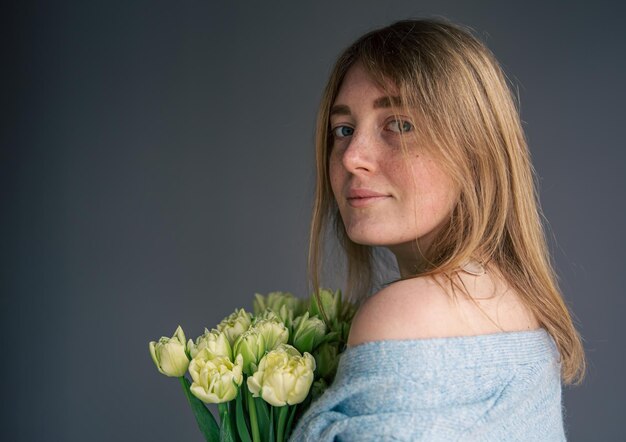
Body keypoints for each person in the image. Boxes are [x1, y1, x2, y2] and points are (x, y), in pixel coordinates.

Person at [290, 18, 585, 441]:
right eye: (344, 130)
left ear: (475, 150)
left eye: (400, 125)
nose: (353, 156)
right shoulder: (514, 304)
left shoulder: (407, 316)